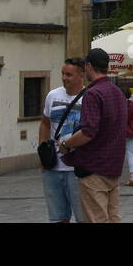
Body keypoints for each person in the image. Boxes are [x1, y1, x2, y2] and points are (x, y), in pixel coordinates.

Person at [59, 48, 128, 223]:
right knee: (113, 218)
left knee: (96, 218)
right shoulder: (117, 92)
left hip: (94, 166)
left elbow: (88, 132)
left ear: (89, 66)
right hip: (114, 164)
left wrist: (66, 145)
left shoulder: (93, 93)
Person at [39, 57, 85, 222]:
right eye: (63, 74)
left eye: (69, 75)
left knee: (83, 217)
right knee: (57, 217)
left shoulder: (88, 98)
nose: (64, 78)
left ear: (81, 75)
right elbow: (45, 123)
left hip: (77, 169)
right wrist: (43, 150)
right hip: (52, 167)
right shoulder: (52, 95)